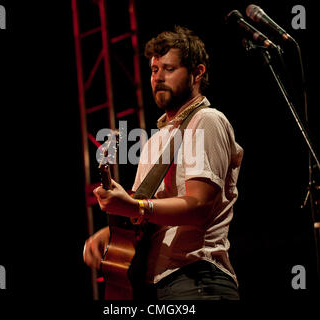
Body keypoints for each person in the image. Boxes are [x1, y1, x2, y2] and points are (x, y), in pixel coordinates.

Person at [83, 26, 243, 300]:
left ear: (197, 72)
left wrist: (135, 206)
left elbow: (199, 206)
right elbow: (144, 218)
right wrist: (112, 236)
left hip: (198, 280)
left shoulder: (207, 120)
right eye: (154, 70)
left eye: (169, 69)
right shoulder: (155, 142)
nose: (158, 78)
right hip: (161, 285)